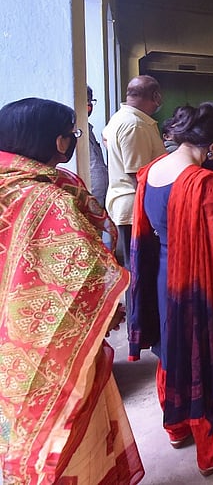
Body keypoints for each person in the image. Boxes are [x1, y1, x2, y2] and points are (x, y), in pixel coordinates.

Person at [0, 98, 143, 484]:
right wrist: (110, 304)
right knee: (73, 429)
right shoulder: (46, 199)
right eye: (74, 135)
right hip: (52, 345)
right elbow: (88, 273)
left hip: (7, 342)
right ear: (59, 142)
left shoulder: (16, 185)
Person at [129, 102, 213, 476]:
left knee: (172, 351)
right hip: (203, 286)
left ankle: (177, 427)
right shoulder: (204, 184)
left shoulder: (151, 172)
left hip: (165, 279)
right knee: (211, 361)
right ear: (211, 147)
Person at [103, 75, 166, 269]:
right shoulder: (134, 125)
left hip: (128, 205)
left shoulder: (122, 118)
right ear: (156, 96)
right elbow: (137, 175)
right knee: (140, 270)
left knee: (137, 269)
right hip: (134, 208)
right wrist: (156, 211)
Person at [87, 85, 108, 210]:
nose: (89, 104)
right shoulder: (74, 130)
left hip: (99, 198)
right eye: (86, 100)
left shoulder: (89, 129)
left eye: (91, 100)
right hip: (89, 195)